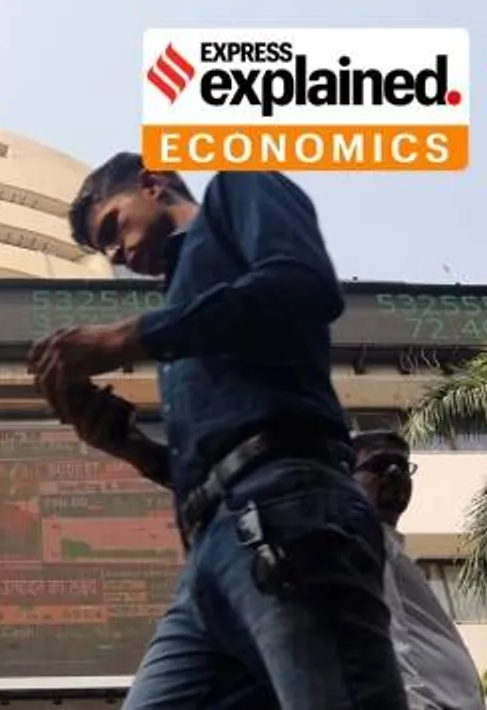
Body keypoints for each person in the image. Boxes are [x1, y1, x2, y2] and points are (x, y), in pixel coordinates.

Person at [29, 152, 406, 709]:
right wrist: (128, 447)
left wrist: (124, 339)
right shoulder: (181, 313)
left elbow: (301, 284)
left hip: (286, 513)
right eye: (107, 250)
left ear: (152, 184)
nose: (122, 255)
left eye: (114, 227)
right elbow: (213, 466)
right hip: (210, 555)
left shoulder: (239, 188)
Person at [351, 430, 486, 710]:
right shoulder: (365, 539)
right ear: (348, 479)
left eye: (402, 466)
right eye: (380, 464)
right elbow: (389, 636)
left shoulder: (391, 547)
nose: (394, 473)